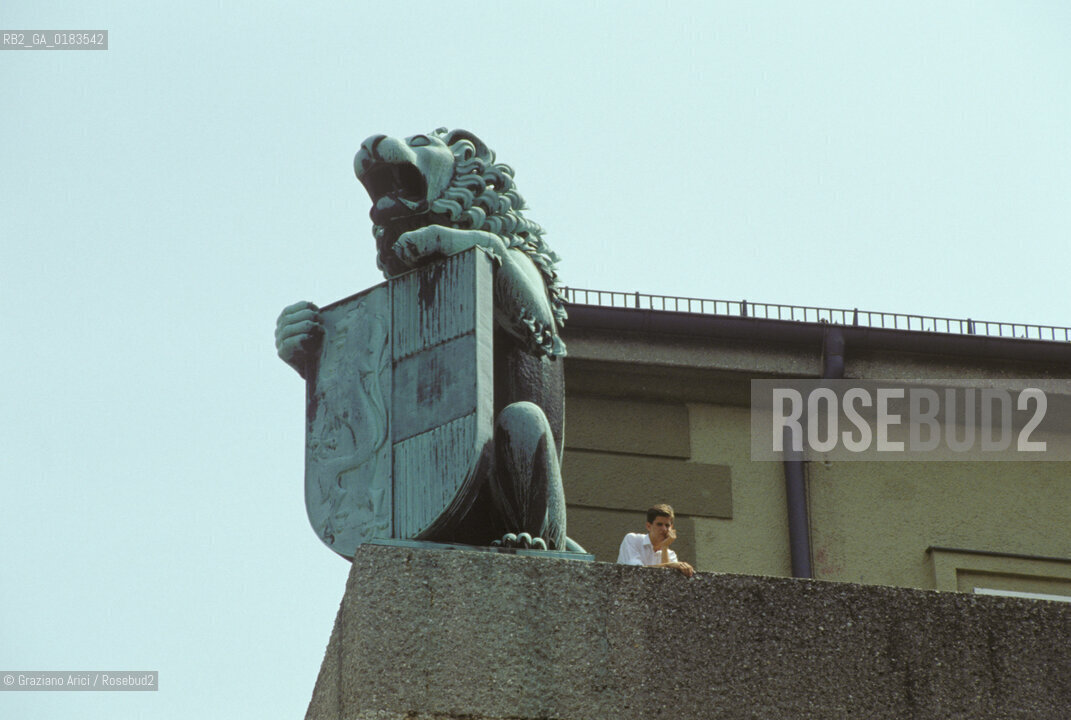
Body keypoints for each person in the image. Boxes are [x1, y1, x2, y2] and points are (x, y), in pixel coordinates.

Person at [617, 504, 695, 577]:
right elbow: (637, 571)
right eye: (659, 524)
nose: (664, 529)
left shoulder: (671, 554)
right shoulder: (632, 539)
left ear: (671, 527)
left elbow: (668, 581)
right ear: (648, 526)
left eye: (667, 525)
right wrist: (668, 565)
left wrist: (664, 547)